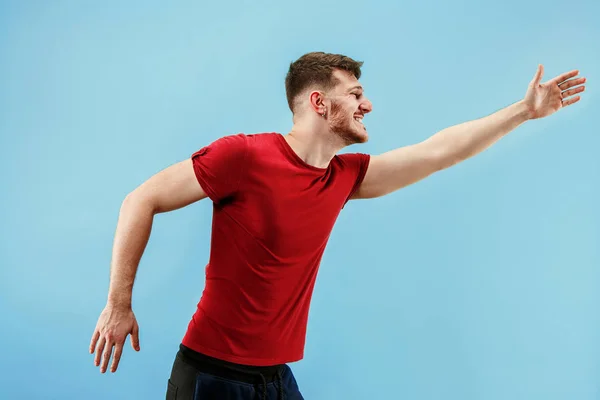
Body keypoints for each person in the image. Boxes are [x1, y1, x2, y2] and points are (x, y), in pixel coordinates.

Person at [89, 52, 586, 399]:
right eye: (356, 94)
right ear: (319, 103)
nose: (367, 105)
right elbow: (142, 198)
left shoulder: (344, 178)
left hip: (275, 380)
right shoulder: (243, 155)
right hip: (212, 378)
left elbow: (438, 152)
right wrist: (118, 303)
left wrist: (524, 111)